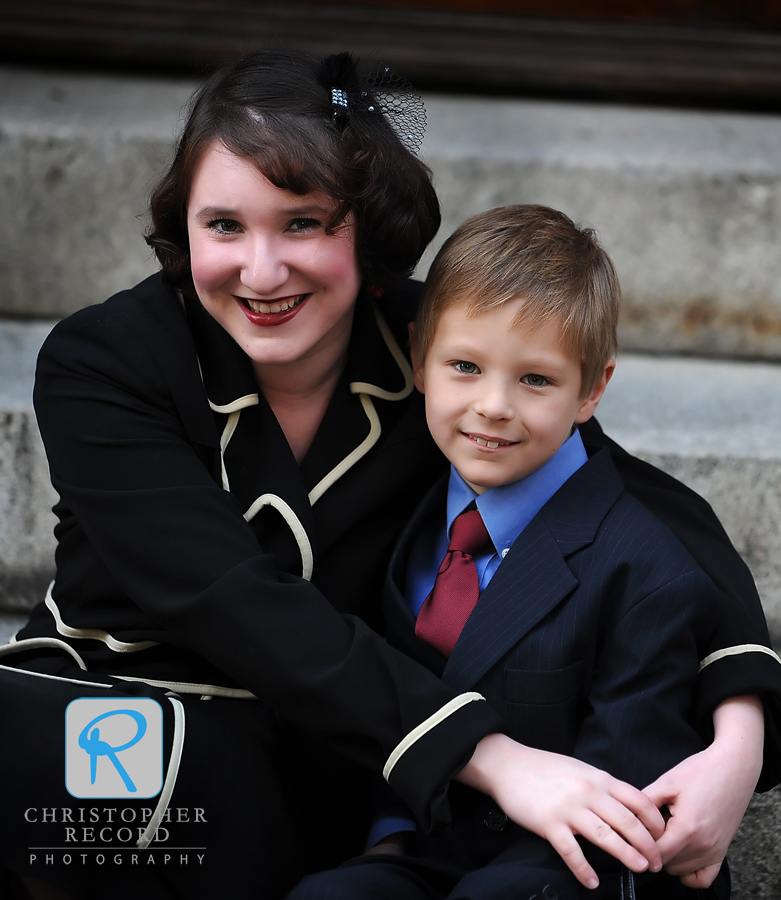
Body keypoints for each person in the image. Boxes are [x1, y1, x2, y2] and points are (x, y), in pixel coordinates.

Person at [0, 49, 775, 899]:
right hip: (125, 712)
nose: (262, 272)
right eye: (223, 225)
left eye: (302, 223)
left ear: (365, 229)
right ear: (182, 225)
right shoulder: (103, 362)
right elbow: (227, 596)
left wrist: (739, 734)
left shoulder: (436, 352)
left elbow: (632, 501)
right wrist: (492, 756)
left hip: (339, 737)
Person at [287, 205, 781, 900]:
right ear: (417, 360)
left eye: (535, 380)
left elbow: (628, 813)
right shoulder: (414, 513)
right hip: (431, 843)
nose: (492, 405)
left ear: (592, 390)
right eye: (464, 365)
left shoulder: (645, 567)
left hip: (585, 862)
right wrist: (390, 840)